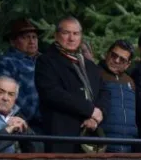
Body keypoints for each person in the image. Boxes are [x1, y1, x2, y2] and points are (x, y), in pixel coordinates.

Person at [34, 17, 103, 153]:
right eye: (66, 33)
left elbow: (104, 92)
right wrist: (89, 110)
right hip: (61, 136)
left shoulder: (90, 66)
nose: (71, 38)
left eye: (76, 34)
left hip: (90, 136)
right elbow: (52, 93)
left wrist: (96, 116)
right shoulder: (46, 61)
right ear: (56, 35)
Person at [0, 18, 42, 128]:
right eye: (25, 37)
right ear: (13, 41)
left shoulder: (44, 60)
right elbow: (3, 95)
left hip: (46, 122)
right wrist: (21, 116)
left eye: (34, 37)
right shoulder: (6, 62)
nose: (31, 41)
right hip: (21, 122)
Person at [96, 40, 138, 153]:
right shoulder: (94, 74)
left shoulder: (131, 81)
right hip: (100, 144)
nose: (116, 60)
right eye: (114, 55)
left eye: (122, 59)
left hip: (129, 145)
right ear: (107, 53)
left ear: (128, 64)